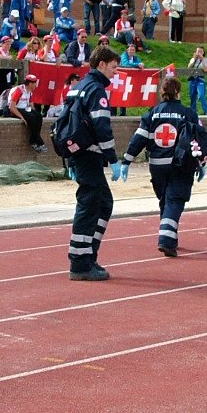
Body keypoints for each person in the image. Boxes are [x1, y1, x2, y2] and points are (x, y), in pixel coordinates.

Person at [114, 76, 207, 257]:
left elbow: (138, 138)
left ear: (162, 92)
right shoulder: (188, 113)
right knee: (175, 200)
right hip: (179, 165)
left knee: (165, 201)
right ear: (179, 92)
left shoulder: (152, 113)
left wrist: (127, 160)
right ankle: (166, 239)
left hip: (157, 166)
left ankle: (169, 236)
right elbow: (200, 139)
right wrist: (202, 162)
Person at [66, 46, 120, 280]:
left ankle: (88, 254)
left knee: (104, 203)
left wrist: (68, 157)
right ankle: (80, 263)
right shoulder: (97, 90)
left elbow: (64, 124)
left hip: (79, 154)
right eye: (114, 67)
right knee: (89, 205)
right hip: (89, 155)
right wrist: (113, 159)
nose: (115, 73)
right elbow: (102, 127)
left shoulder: (77, 87)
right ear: (101, 65)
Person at [6, 73, 45, 152]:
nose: (35, 86)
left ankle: (35, 139)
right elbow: (12, 106)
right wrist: (22, 117)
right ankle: (37, 141)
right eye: (34, 84)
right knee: (32, 118)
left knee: (38, 116)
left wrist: (35, 113)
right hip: (15, 110)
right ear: (30, 84)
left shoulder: (30, 91)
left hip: (24, 109)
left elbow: (31, 104)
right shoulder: (19, 91)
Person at [186, 46, 207, 115]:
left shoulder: (206, 60)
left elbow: (205, 69)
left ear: (203, 52)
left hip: (200, 79)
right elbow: (189, 67)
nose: (199, 53)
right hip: (192, 79)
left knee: (201, 95)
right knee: (192, 96)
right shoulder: (192, 59)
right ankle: (193, 112)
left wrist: (202, 59)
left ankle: (206, 111)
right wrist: (194, 59)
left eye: (201, 51)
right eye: (198, 51)